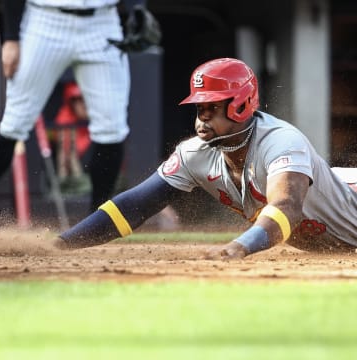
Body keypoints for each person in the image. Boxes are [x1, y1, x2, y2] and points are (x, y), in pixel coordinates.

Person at [52, 57, 357, 259]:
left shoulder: (282, 142)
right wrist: (65, 243)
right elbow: (136, 205)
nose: (202, 117)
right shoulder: (194, 153)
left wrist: (240, 247)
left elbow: (287, 208)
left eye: (212, 107)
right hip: (335, 190)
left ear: (240, 105)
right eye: (199, 108)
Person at [0, 0, 132, 212]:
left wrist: (137, 9)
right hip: (44, 21)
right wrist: (11, 37)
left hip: (103, 22)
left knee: (111, 128)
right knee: (14, 124)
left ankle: (97, 226)